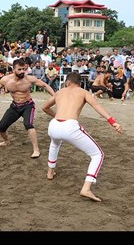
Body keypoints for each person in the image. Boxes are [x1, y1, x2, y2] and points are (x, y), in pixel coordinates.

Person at [41, 72, 122, 202]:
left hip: (54, 125)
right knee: (98, 155)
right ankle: (86, 188)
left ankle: (50, 172)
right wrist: (112, 122)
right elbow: (97, 106)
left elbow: (44, 107)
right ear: (79, 83)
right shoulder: (83, 92)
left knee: (55, 144)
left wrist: (57, 115)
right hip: (69, 127)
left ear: (67, 82)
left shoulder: (59, 92)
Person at [0, 59, 54, 158]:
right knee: (1, 127)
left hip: (27, 105)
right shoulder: (6, 80)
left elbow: (45, 85)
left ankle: (36, 149)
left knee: (28, 125)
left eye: (24, 69)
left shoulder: (29, 79)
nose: (22, 71)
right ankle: (6, 141)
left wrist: (55, 96)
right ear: (13, 69)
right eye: (19, 69)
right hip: (15, 106)